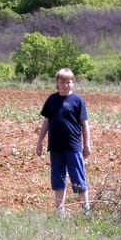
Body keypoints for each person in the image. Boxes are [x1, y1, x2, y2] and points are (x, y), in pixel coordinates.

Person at [36, 67, 92, 214]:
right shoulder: (52, 100)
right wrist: (40, 141)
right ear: (57, 83)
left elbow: (85, 124)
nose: (65, 85)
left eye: (69, 82)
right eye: (62, 82)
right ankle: (59, 210)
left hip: (73, 145)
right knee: (58, 178)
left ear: (73, 83)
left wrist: (86, 144)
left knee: (78, 176)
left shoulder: (78, 101)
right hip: (55, 146)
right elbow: (46, 121)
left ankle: (86, 209)